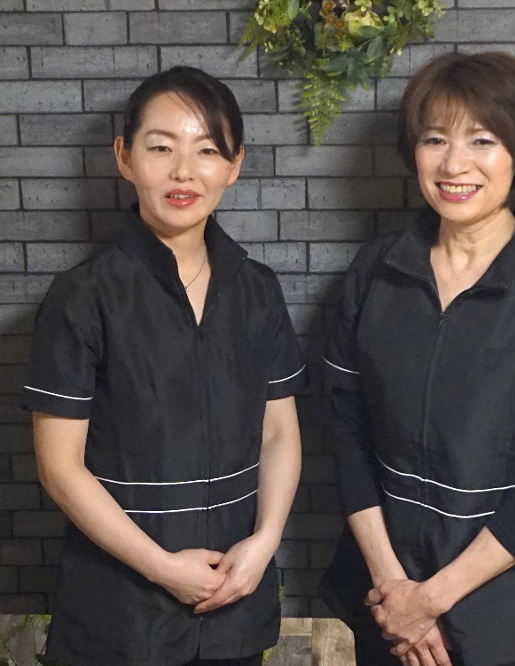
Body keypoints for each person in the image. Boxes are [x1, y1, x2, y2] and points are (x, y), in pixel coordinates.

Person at [319, 51, 515, 666]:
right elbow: (347, 436)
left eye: (483, 140)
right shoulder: (374, 274)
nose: (454, 164)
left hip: (509, 617)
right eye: (435, 139)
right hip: (383, 600)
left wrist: (429, 601)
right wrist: (396, 591)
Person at [22, 66, 305, 666]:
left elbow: (279, 431)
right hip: (120, 617)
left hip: (236, 600)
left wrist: (265, 542)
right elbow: (59, 467)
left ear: (235, 164)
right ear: (124, 157)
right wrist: (162, 568)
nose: (184, 171)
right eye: (160, 148)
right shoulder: (83, 297)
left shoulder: (257, 290)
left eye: (207, 150)